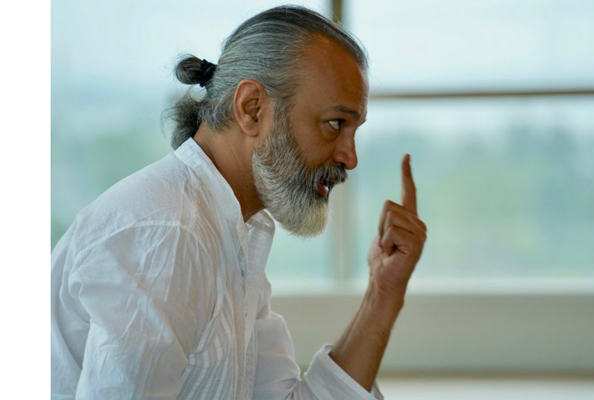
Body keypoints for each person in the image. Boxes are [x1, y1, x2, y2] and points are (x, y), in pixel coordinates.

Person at [51, 5, 427, 399]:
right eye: (335, 123)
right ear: (252, 109)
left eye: (354, 129)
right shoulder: (169, 234)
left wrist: (383, 293)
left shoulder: (233, 230)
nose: (350, 157)